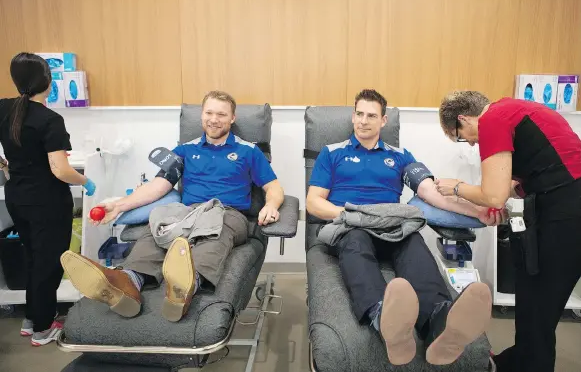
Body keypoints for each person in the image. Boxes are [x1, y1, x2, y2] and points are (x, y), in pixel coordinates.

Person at [306, 89, 503, 366]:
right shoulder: (332, 153)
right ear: (353, 116)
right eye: (359, 114)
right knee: (356, 244)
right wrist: (356, 214)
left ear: (383, 121)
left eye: (371, 115)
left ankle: (440, 323)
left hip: (393, 224)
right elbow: (314, 202)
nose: (364, 121)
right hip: (353, 224)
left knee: (414, 245)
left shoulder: (400, 156)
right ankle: (383, 318)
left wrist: (478, 212)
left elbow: (432, 194)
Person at [61, 90, 284, 323]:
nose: (214, 119)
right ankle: (128, 283)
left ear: (232, 119)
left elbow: (274, 186)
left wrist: (271, 205)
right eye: (209, 112)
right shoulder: (184, 151)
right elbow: (158, 186)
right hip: (187, 212)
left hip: (228, 212)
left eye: (221, 114)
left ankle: (187, 283)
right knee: (157, 229)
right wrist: (119, 205)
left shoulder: (248, 151)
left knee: (214, 233)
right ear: (201, 115)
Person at [435, 91, 581, 372]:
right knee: (532, 295)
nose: (472, 142)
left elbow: (493, 196)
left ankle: (529, 364)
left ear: (463, 119)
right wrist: (501, 195)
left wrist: (455, 187)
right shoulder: (516, 109)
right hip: (562, 204)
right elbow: (543, 167)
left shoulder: (493, 120)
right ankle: (516, 360)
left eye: (462, 136)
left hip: (567, 212)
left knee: (538, 306)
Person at [0, 52, 96, 346]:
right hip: (47, 203)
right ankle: (43, 328)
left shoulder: (5, 108)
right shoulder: (49, 119)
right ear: (48, 82)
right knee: (49, 264)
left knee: (32, 257)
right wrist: (85, 181)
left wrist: (5, 166)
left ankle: (33, 318)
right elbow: (60, 169)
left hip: (16, 196)